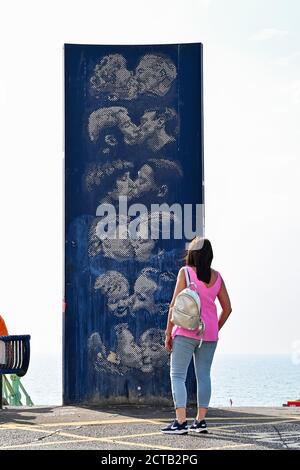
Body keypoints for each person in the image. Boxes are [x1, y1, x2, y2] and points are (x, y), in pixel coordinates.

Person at [161, 238, 232, 435]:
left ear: (192, 253)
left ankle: (181, 422)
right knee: (204, 376)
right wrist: (213, 328)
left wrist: (168, 333)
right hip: (209, 336)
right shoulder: (217, 277)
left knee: (177, 375)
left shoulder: (185, 273)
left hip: (185, 331)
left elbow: (174, 306)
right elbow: (228, 308)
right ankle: (200, 422)